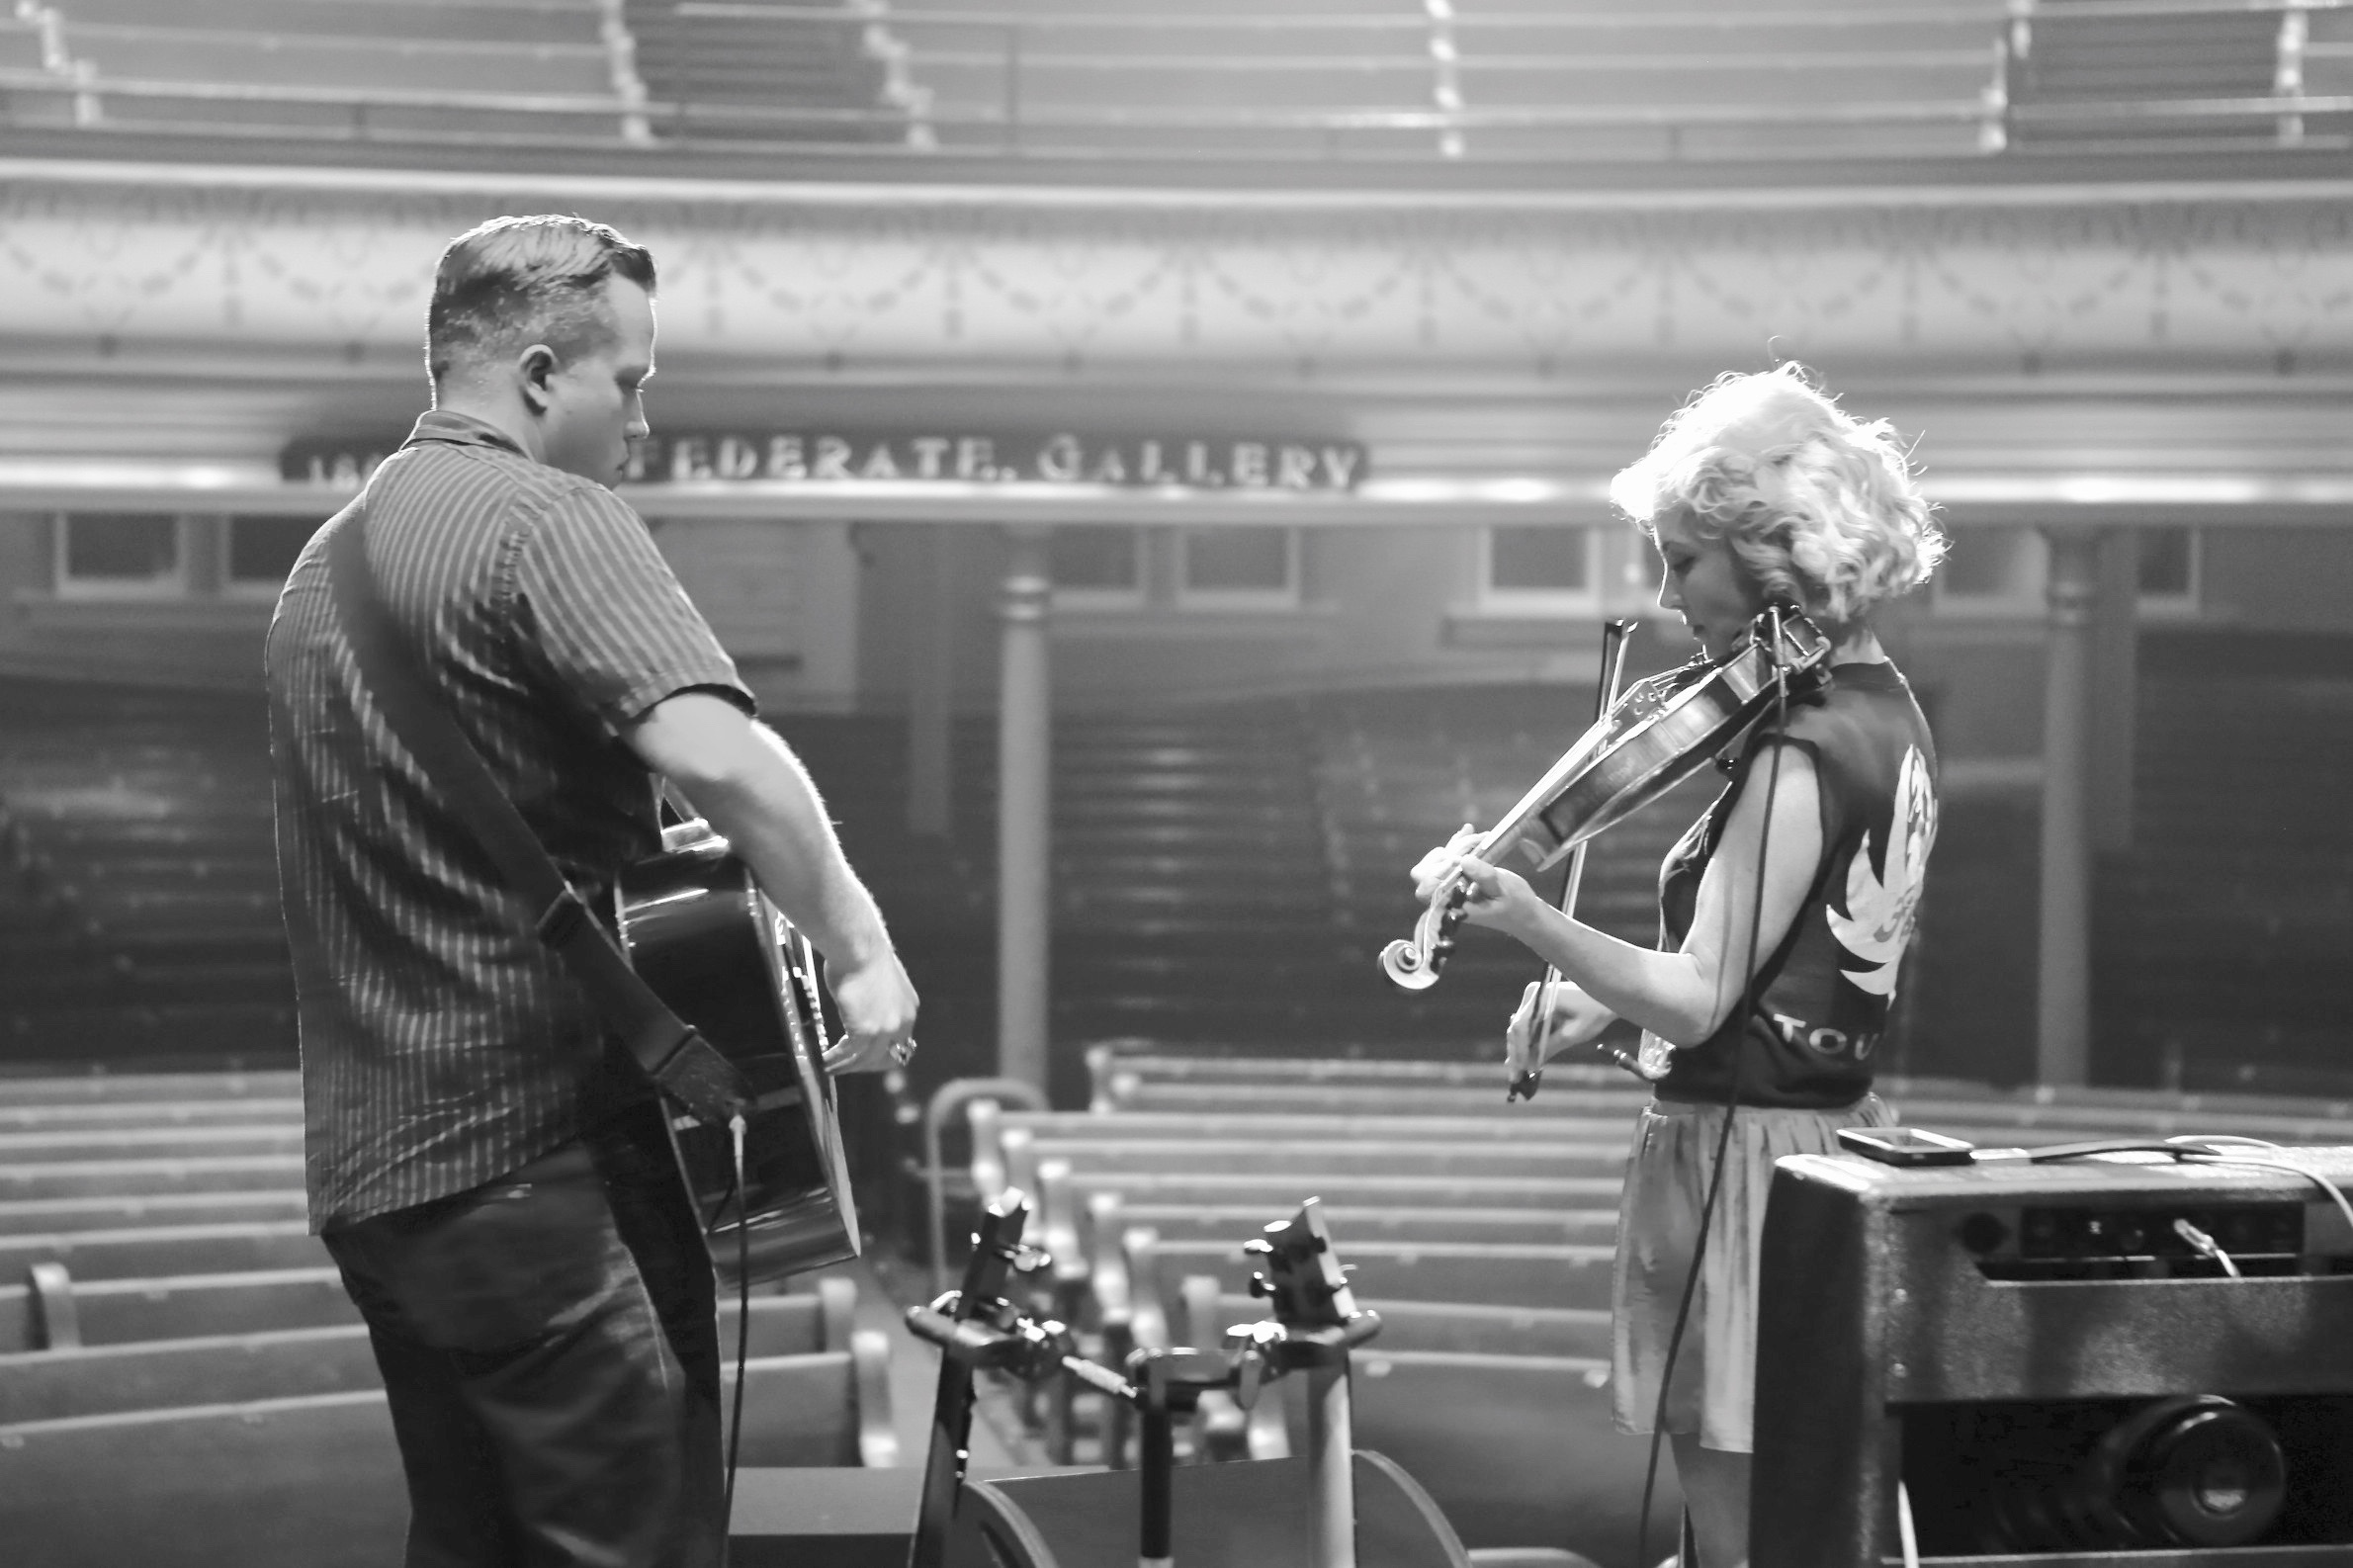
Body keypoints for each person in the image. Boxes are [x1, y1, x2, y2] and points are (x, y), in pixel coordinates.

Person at [266, 214, 918, 1568]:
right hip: (537, 1169)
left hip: (385, 1185)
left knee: (475, 1543)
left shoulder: (318, 573)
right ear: (544, 373)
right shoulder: (547, 517)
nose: (643, 416)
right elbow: (717, 753)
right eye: (631, 380)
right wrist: (853, 936)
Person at [1412, 365, 1945, 1568]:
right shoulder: (1883, 710)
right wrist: (1597, 1005)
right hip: (1820, 1143)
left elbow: (1704, 993)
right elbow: (1772, 987)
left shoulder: (1798, 748)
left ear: (1775, 555)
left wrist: (1531, 919)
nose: (1663, 592)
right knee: (1780, 1530)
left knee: (1745, 1532)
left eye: (1682, 557)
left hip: (1744, 1169)